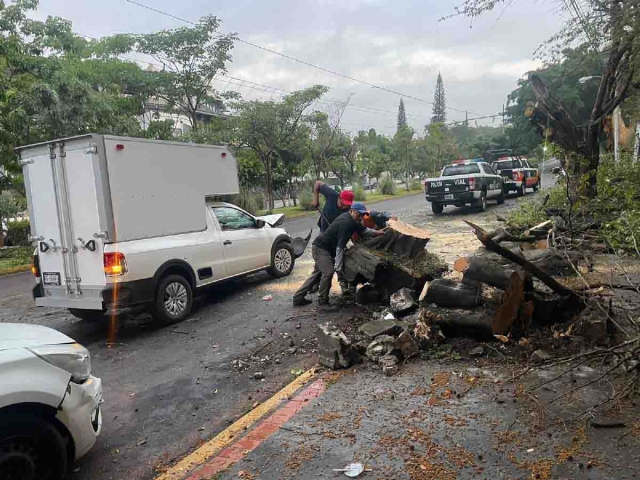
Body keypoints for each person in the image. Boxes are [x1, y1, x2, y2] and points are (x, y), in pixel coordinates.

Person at [293, 203, 383, 308]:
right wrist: (339, 268)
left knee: (316, 275)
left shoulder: (354, 221)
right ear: (352, 211)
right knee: (328, 273)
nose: (361, 217)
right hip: (321, 249)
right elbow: (340, 248)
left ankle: (298, 298)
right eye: (359, 214)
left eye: (363, 215)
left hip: (325, 249)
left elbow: (365, 231)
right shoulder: (346, 223)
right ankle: (323, 302)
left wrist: (378, 232)